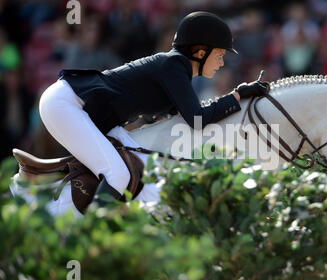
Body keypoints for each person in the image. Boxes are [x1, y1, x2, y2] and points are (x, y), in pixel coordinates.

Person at [38, 11, 269, 208]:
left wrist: (237, 98)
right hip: (67, 103)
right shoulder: (174, 65)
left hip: (83, 108)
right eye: (219, 55)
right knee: (118, 175)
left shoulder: (177, 71)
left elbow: (193, 117)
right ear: (200, 51)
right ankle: (92, 236)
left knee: (146, 167)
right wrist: (237, 96)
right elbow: (198, 119)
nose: (221, 63)